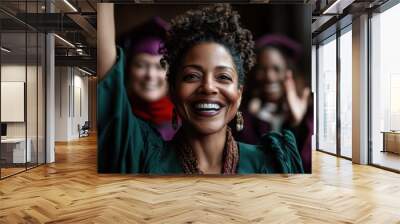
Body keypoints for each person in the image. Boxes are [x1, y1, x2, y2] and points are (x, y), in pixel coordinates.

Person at [97, 4, 304, 174]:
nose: (208, 87)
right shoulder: (142, 154)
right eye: (191, 76)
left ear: (239, 94)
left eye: (223, 77)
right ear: (173, 90)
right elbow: (109, 86)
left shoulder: (272, 163)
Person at [232, 34, 313, 173]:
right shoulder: (242, 110)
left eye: (276, 69)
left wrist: (297, 124)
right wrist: (249, 118)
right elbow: (242, 162)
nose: (270, 77)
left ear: (289, 73)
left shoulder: (308, 110)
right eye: (263, 69)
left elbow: (306, 164)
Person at [98, 5, 176, 141]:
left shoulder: (187, 122)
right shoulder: (117, 117)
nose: (150, 75)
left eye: (160, 66)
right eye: (141, 65)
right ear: (129, 69)